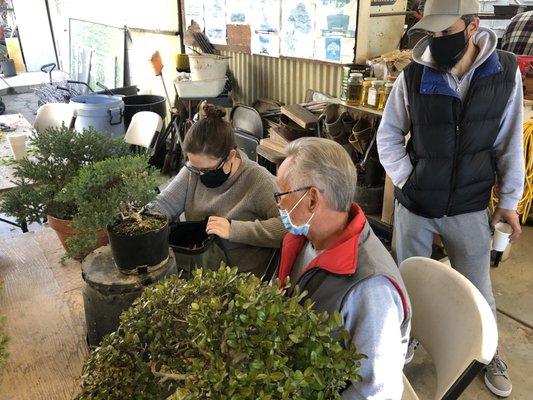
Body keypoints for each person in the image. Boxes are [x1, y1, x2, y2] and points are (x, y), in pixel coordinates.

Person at [377, 0, 525, 397]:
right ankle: (407, 340)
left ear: (473, 25)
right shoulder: (413, 75)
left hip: (469, 206)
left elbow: (510, 144)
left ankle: (488, 350)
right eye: (432, 33)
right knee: (408, 281)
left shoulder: (504, 72)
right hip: (417, 207)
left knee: (478, 289)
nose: (436, 41)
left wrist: (509, 201)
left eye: (445, 32)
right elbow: (388, 135)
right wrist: (408, 181)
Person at [275, 137, 411, 399]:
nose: (278, 205)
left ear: (312, 200)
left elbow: (378, 392)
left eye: (281, 195)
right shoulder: (307, 238)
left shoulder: (370, 289)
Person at [152, 104, 286, 276]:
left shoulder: (258, 180)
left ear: (230, 156)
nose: (200, 174)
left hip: (240, 280)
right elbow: (164, 204)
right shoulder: (193, 170)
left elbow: (289, 227)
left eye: (207, 170)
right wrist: (142, 221)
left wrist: (234, 230)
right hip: (202, 266)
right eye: (195, 168)